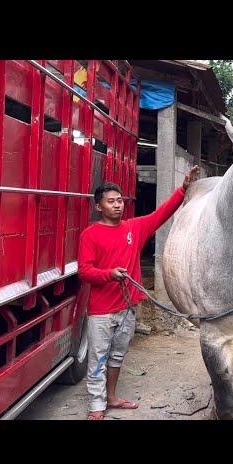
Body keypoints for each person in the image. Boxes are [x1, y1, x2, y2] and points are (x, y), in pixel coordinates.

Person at [78, 165, 199, 420]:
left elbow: (162, 214)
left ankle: (111, 397)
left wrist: (183, 189)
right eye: (111, 201)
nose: (117, 205)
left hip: (128, 307)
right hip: (101, 311)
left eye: (119, 200)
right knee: (98, 358)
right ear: (99, 207)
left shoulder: (134, 228)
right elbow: (84, 271)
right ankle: (97, 406)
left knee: (117, 356)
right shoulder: (90, 235)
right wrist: (109, 274)